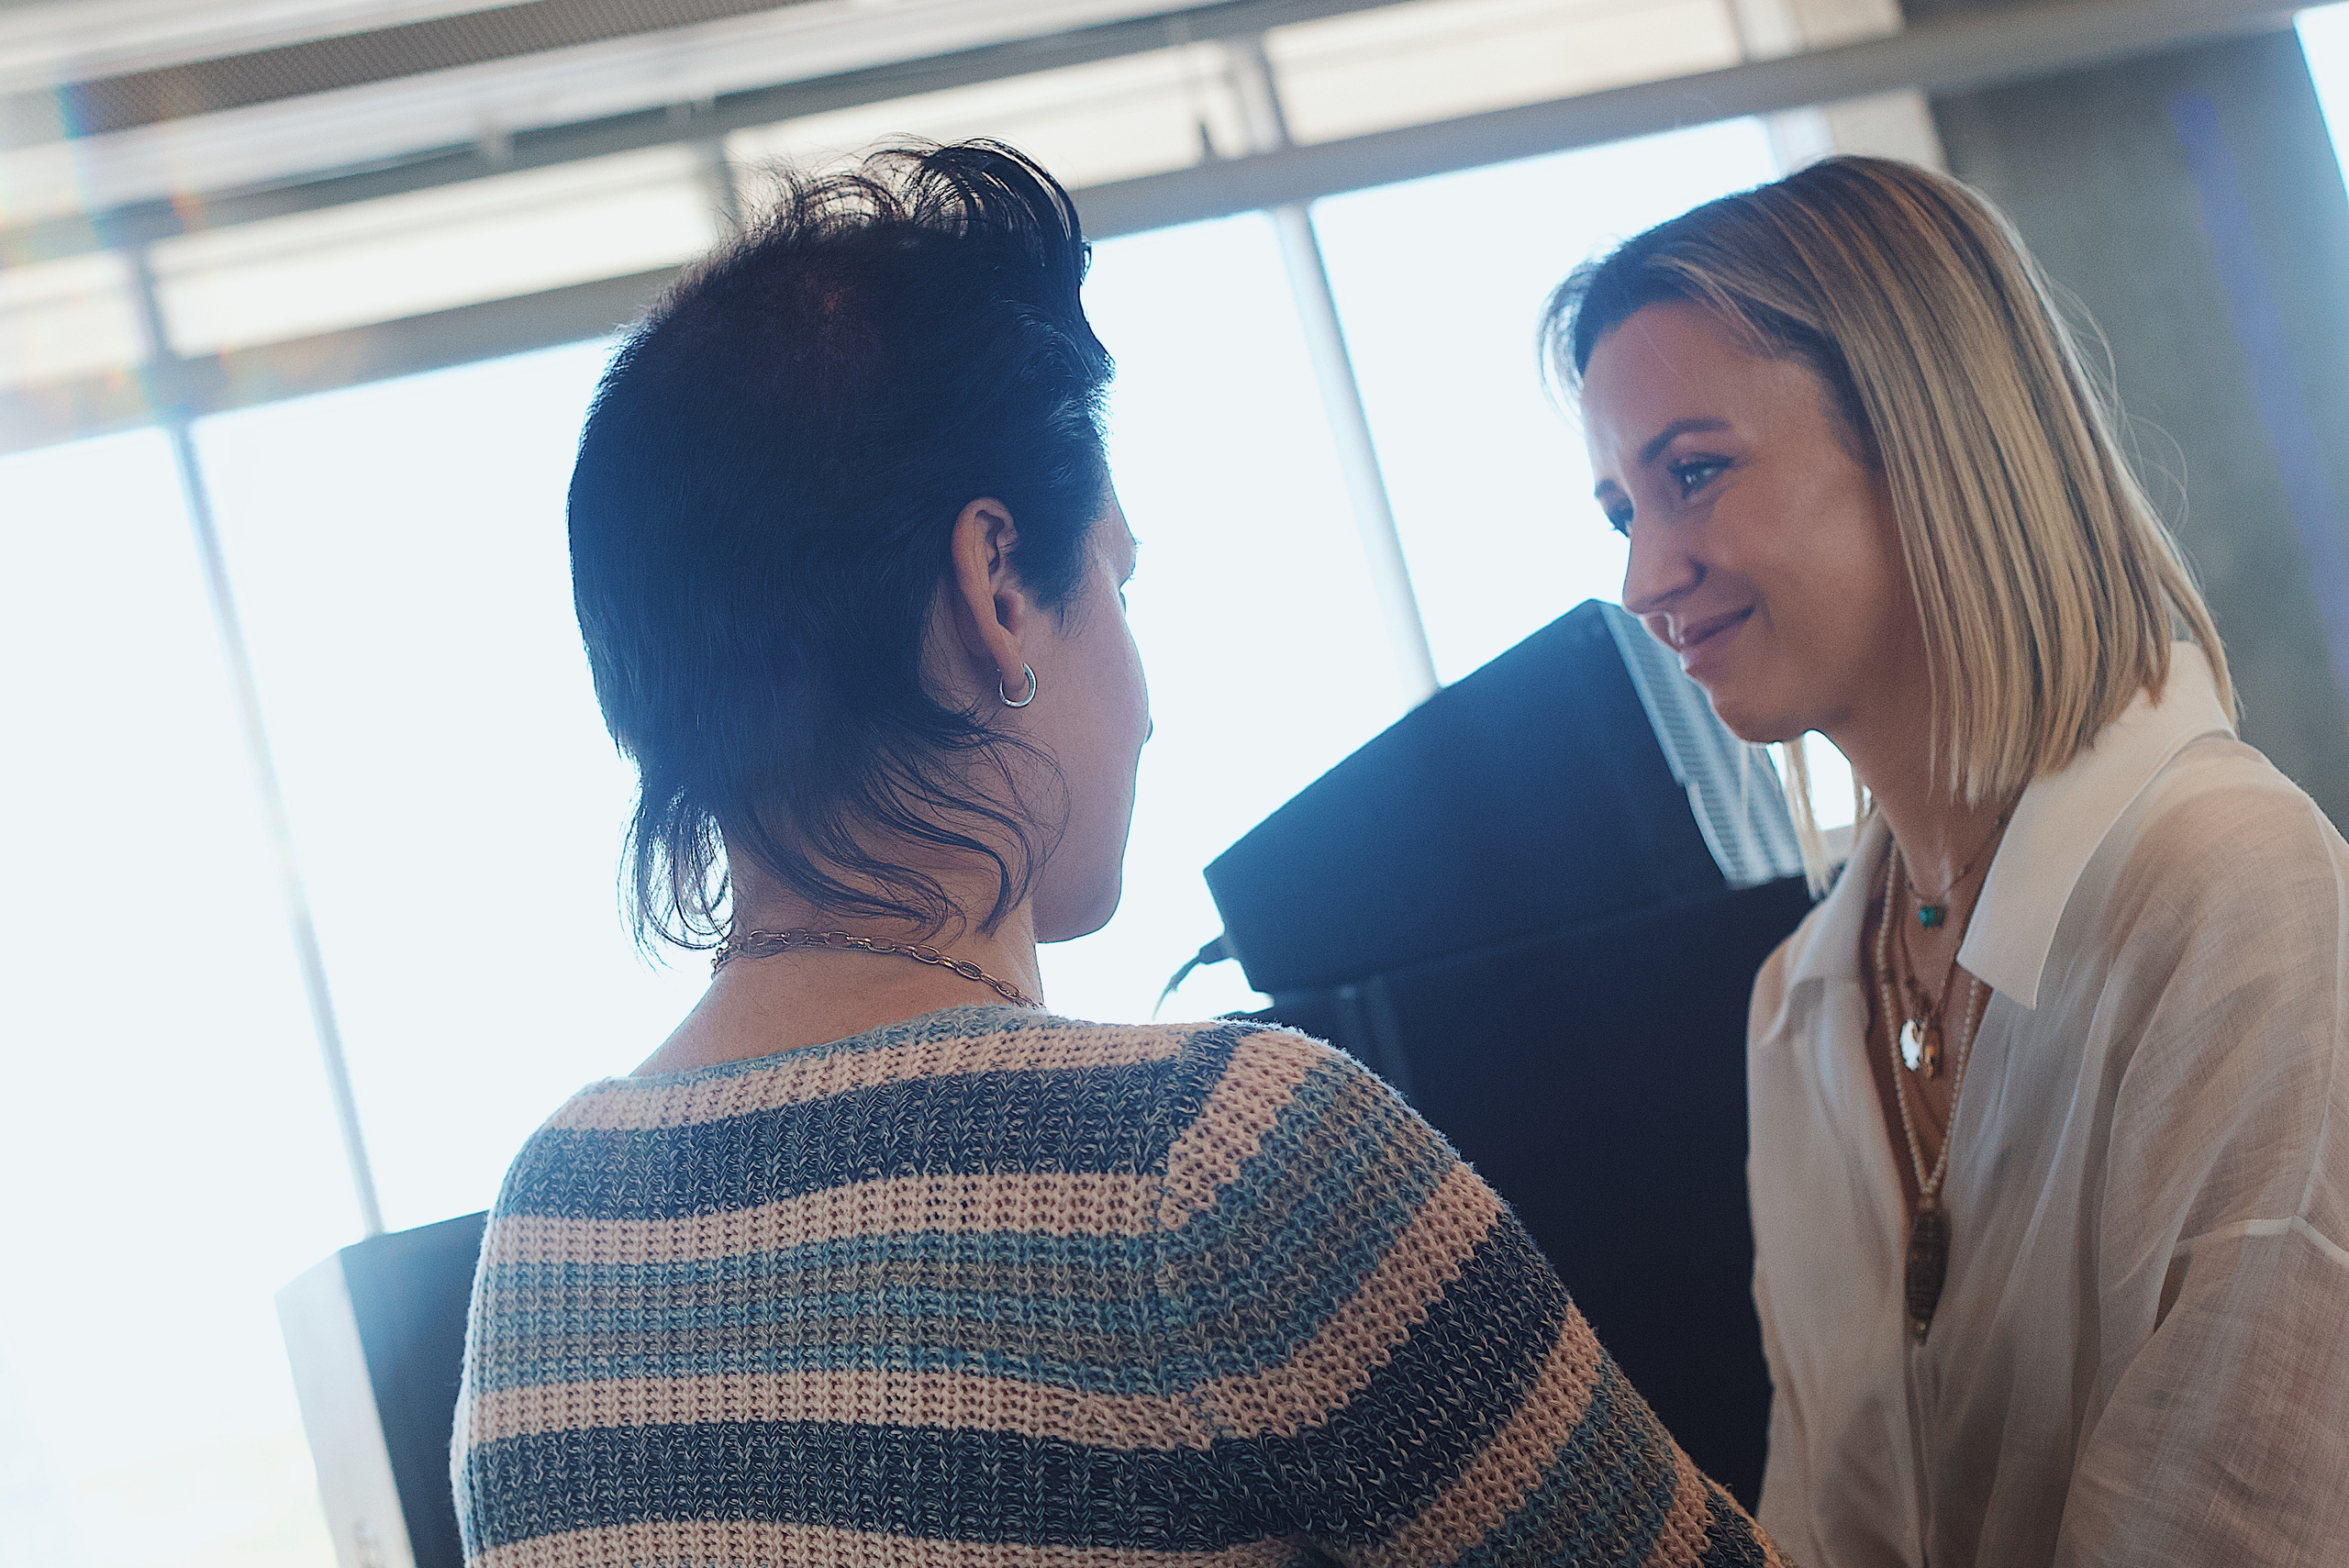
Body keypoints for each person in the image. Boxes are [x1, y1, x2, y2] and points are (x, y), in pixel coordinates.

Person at [450, 140, 1787, 1568]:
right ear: (996, 586)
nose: (1148, 705)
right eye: (1119, 581)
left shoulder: (543, 1242)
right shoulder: (1216, 1162)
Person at [1550, 154, 2349, 1568]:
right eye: (1624, 511)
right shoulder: (1797, 1005)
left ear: (1922, 430)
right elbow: (1811, 1520)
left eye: (1694, 474)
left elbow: (2233, 1518)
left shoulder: (2234, 889)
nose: (1643, 577)